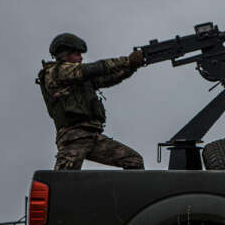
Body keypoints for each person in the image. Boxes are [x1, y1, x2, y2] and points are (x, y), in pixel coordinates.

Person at [37, 32, 145, 170]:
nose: (81, 58)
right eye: (77, 54)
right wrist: (127, 61)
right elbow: (95, 69)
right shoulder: (56, 72)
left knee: (134, 161)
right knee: (62, 184)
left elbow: (108, 78)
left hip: (92, 137)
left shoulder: (79, 78)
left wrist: (132, 67)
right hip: (73, 139)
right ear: (65, 54)